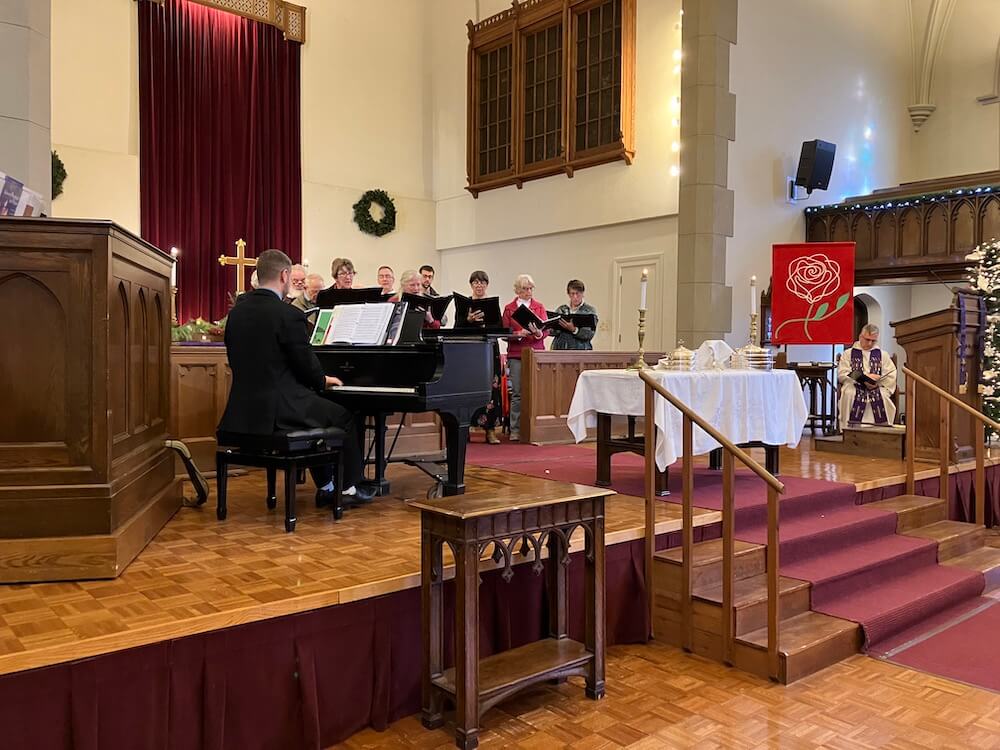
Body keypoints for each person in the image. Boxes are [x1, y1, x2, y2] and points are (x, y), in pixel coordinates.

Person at [218, 249, 376, 506]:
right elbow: (305, 365)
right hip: (280, 408)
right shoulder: (288, 314)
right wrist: (323, 380)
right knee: (343, 416)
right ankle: (347, 488)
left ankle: (326, 486)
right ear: (284, 275)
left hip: (242, 409)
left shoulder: (237, 313)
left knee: (317, 417)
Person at [502, 274, 547, 442]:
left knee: (536, 392)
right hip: (516, 354)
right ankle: (515, 429)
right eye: (525, 289)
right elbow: (504, 333)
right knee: (517, 393)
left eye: (530, 288)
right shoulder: (509, 308)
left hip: (535, 353)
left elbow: (546, 329)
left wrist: (538, 333)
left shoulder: (539, 307)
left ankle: (535, 428)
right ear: (517, 291)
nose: (529, 292)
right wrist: (518, 334)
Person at [464, 270, 502, 444]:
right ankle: (466, 428)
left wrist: (487, 324)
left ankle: (490, 430)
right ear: (471, 285)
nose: (479, 285)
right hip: (471, 350)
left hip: (489, 349)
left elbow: (500, 327)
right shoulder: (465, 303)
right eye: (475, 282)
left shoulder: (493, 303)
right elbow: (457, 327)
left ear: (487, 285)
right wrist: (468, 320)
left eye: (482, 282)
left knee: (492, 387)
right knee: (469, 387)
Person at [837, 323, 897, 428]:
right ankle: (850, 430)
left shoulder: (883, 355)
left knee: (883, 396)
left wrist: (878, 380)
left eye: (873, 341)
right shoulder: (848, 354)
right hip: (854, 385)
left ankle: (882, 431)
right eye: (867, 339)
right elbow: (843, 373)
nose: (870, 343)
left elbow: (891, 374)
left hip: (876, 387)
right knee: (850, 394)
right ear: (860, 336)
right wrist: (862, 378)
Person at [551, 279, 598, 350]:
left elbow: (589, 334)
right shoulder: (561, 309)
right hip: (560, 348)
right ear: (568, 294)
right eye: (572, 294)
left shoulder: (590, 311)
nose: (575, 297)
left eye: (577, 293)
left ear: (582, 293)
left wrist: (574, 329)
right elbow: (553, 332)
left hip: (581, 350)